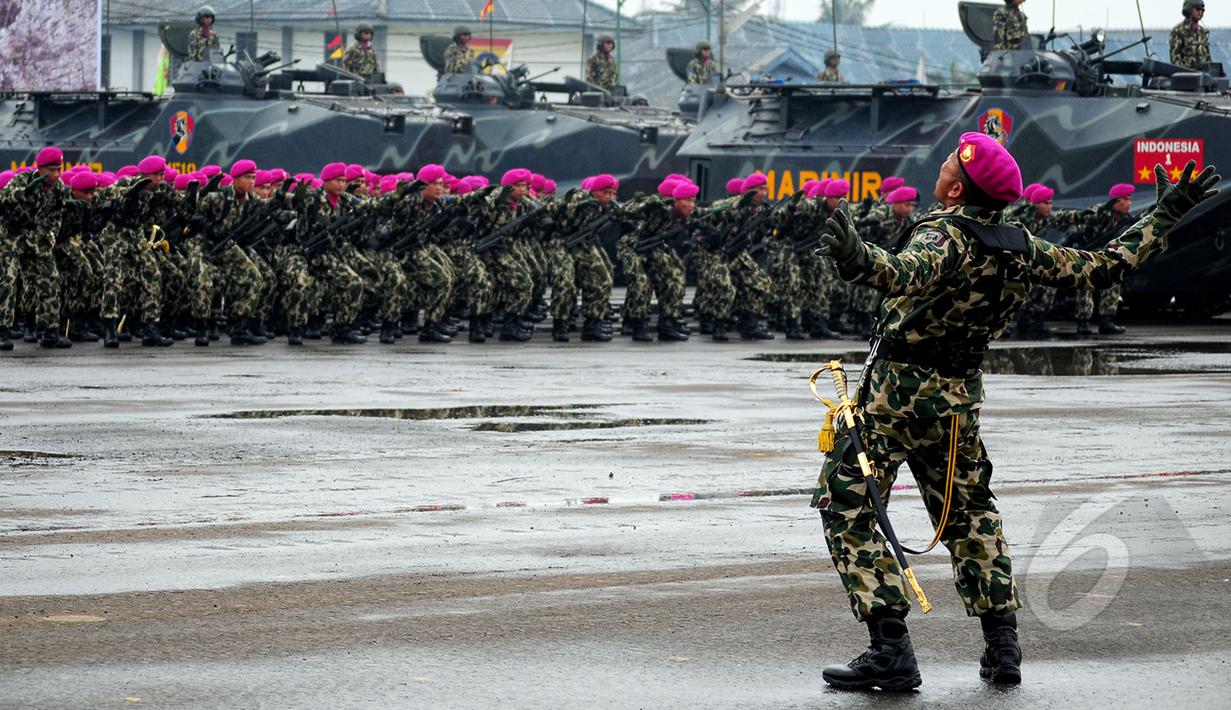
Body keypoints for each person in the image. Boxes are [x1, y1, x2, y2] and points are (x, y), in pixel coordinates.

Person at [812, 130, 1217, 690]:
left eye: (952, 162)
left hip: (894, 403)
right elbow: (1105, 265)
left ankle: (890, 650)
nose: (946, 163)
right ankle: (1002, 648)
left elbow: (901, 273)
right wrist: (1164, 215)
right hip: (957, 405)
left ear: (955, 192)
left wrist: (858, 258)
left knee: (845, 504)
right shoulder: (1020, 245)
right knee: (971, 516)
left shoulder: (945, 237)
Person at [1170, 1, 1211, 70]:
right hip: (1187, 76)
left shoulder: (1202, 32)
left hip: (1203, 76)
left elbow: (1207, 56)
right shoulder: (1178, 30)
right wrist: (1183, 73)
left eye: (1202, 10)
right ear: (1189, 9)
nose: (1200, 12)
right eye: (1198, 9)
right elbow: (1175, 57)